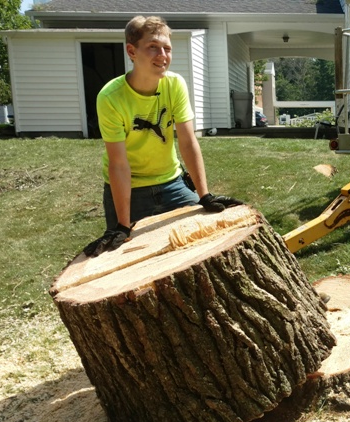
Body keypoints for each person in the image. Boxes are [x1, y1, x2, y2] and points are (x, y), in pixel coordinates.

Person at [84, 16, 242, 257]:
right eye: (153, 47)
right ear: (131, 51)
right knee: (127, 258)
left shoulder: (174, 85)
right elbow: (118, 163)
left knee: (206, 245)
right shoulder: (110, 97)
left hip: (173, 185)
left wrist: (204, 196)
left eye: (167, 48)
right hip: (131, 190)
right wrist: (123, 225)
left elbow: (188, 142)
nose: (163, 55)